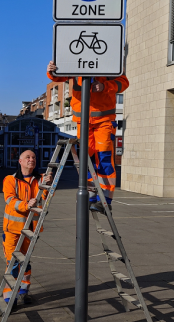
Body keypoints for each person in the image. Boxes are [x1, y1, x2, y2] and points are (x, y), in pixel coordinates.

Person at [47, 61, 129, 212]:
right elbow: (58, 77)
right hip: (82, 120)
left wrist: (105, 86)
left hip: (104, 120)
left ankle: (105, 199)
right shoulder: (77, 59)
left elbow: (123, 82)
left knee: (104, 157)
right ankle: (91, 194)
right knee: (86, 158)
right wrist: (52, 71)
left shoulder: (110, 59)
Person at [2, 150, 52, 305]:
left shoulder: (41, 179)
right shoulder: (10, 179)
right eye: (28, 157)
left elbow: (46, 198)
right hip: (13, 230)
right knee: (13, 262)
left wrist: (50, 186)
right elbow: (10, 200)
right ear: (20, 161)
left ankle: (24, 290)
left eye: (34, 158)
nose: (32, 160)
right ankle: (10, 296)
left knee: (26, 261)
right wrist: (26, 205)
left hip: (31, 229)